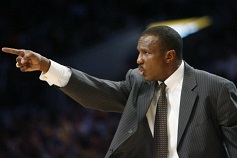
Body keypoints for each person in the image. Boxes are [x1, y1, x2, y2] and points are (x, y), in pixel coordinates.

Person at [2, 25, 237, 158]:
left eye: (146, 53)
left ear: (169, 56)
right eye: (138, 52)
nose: (138, 59)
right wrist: (46, 65)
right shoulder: (137, 81)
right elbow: (95, 91)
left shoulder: (217, 89)